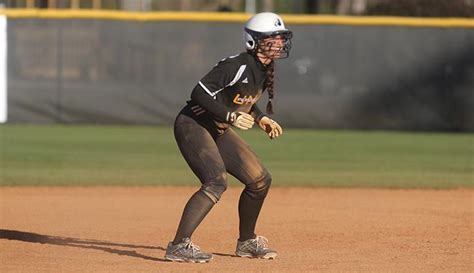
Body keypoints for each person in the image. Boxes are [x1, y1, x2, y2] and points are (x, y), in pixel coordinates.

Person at [164, 12, 293, 263]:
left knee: (259, 180)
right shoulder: (238, 65)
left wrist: (260, 118)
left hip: (218, 128)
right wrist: (231, 117)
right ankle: (179, 245)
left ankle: (246, 242)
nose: (279, 42)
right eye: (272, 38)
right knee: (215, 181)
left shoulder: (264, 70)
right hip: (193, 124)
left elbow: (241, 100)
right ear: (253, 41)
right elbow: (198, 93)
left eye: (280, 37)